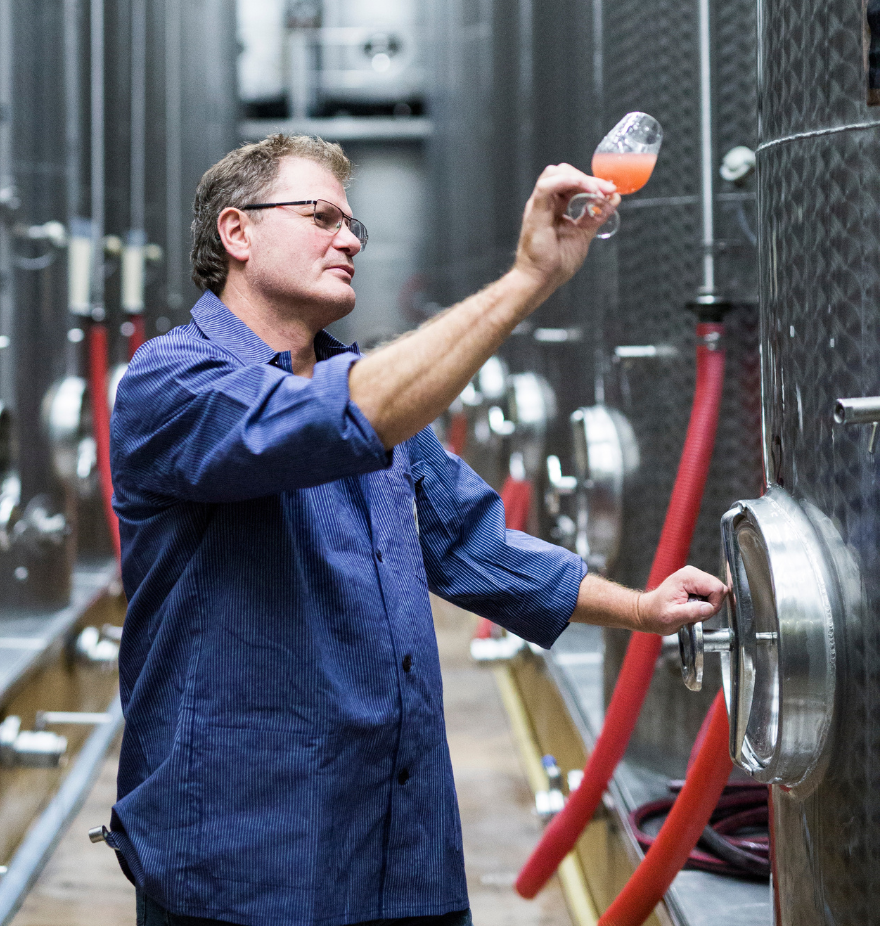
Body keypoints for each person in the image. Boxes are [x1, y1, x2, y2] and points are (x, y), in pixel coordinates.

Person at [106, 134, 726, 926]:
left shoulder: (368, 392)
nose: (350, 239)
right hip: (246, 861)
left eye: (355, 225)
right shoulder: (173, 380)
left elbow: (474, 543)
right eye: (322, 215)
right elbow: (320, 422)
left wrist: (642, 608)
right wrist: (527, 280)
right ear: (237, 232)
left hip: (400, 847)